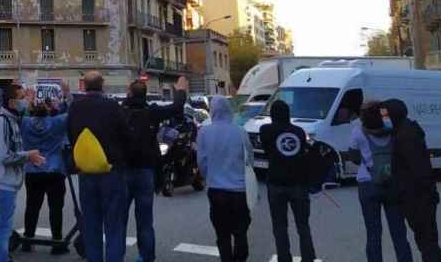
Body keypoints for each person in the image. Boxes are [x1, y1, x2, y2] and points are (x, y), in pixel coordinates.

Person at [121, 77, 188, 262]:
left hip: (124, 170)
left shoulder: (120, 112)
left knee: (119, 219)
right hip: (146, 171)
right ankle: (147, 257)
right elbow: (176, 107)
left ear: (129, 93)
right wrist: (180, 90)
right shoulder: (152, 112)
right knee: (145, 221)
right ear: (145, 95)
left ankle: (116, 254)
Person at [67, 71, 129, 262]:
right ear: (102, 85)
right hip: (110, 170)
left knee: (91, 224)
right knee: (114, 225)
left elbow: (70, 134)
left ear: (84, 85)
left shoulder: (75, 107)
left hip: (86, 171)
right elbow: (125, 134)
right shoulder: (111, 106)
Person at [382, 99, 441, 262]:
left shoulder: (406, 136)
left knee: (426, 241)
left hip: (417, 197)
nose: (383, 119)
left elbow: (418, 169)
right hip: (417, 196)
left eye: (385, 115)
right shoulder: (404, 131)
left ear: (394, 114)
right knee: (426, 241)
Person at [348, 101, 413, 262]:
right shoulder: (392, 130)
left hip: (367, 183)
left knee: (373, 232)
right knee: (399, 232)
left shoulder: (358, 132)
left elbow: (355, 159)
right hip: (391, 182)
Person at [196, 97, 253, 262]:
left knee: (222, 232)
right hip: (239, 190)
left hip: (216, 189)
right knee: (241, 231)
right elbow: (249, 158)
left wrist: (209, 177)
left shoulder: (204, 132)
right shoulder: (240, 131)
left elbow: (202, 161)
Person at [0, 84, 43, 262]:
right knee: (2, 228)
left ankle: (0, 257)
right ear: (12, 102)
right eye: (21, 98)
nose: (24, 101)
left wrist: (28, 157)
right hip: (5, 182)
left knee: (3, 226)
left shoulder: (13, 120)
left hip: (10, 182)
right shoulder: (2, 122)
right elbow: (2, 155)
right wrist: (28, 155)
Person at [259, 99, 316, 262]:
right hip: (298, 183)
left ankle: (284, 258)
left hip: (276, 182)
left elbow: (266, 149)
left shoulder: (265, 130)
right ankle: (308, 258)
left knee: (279, 227)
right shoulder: (298, 131)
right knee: (303, 226)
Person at [20, 90, 69, 255]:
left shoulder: (25, 123)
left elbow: (19, 114)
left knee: (32, 206)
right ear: (48, 112)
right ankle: (57, 242)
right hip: (54, 169)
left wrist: (27, 101)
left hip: (33, 169)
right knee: (55, 207)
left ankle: (27, 239)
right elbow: (70, 112)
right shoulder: (57, 122)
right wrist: (66, 95)